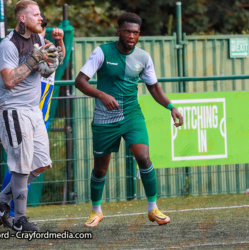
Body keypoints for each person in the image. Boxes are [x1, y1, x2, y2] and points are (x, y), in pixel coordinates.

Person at [74, 13, 184, 227]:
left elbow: (153, 87)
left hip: (132, 114)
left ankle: (153, 208)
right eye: (127, 31)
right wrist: (102, 95)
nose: (131, 36)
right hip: (105, 118)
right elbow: (80, 81)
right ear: (119, 31)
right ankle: (96, 211)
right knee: (100, 170)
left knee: (143, 157)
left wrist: (171, 107)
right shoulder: (102, 52)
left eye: (135, 32)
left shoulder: (143, 57)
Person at [0, 0, 63, 232]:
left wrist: (53, 57)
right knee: (21, 166)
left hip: (33, 110)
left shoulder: (39, 39)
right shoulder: (8, 45)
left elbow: (47, 71)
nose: (41, 18)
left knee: (41, 163)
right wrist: (34, 59)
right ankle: (19, 219)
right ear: (23, 18)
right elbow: (9, 81)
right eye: (36, 14)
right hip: (13, 109)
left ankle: (2, 200)